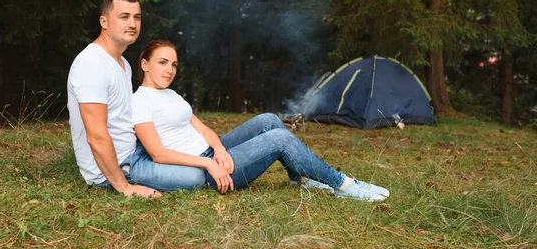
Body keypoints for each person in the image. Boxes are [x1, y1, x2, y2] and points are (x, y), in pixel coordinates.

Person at [131, 39, 390, 201]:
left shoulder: (171, 94)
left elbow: (202, 127)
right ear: (144, 65)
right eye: (162, 63)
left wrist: (219, 149)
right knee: (279, 138)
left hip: (213, 153)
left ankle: (299, 177)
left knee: (268, 119)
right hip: (206, 171)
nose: (169, 70)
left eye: (174, 64)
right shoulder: (139, 101)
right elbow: (158, 154)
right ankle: (343, 185)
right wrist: (209, 164)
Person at [67, 0, 206, 198]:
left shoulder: (122, 64)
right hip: (118, 166)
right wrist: (125, 187)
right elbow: (96, 136)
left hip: (135, 150)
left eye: (137, 17)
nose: (132, 24)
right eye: (124, 17)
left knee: (194, 153)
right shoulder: (91, 64)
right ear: (104, 22)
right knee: (196, 177)